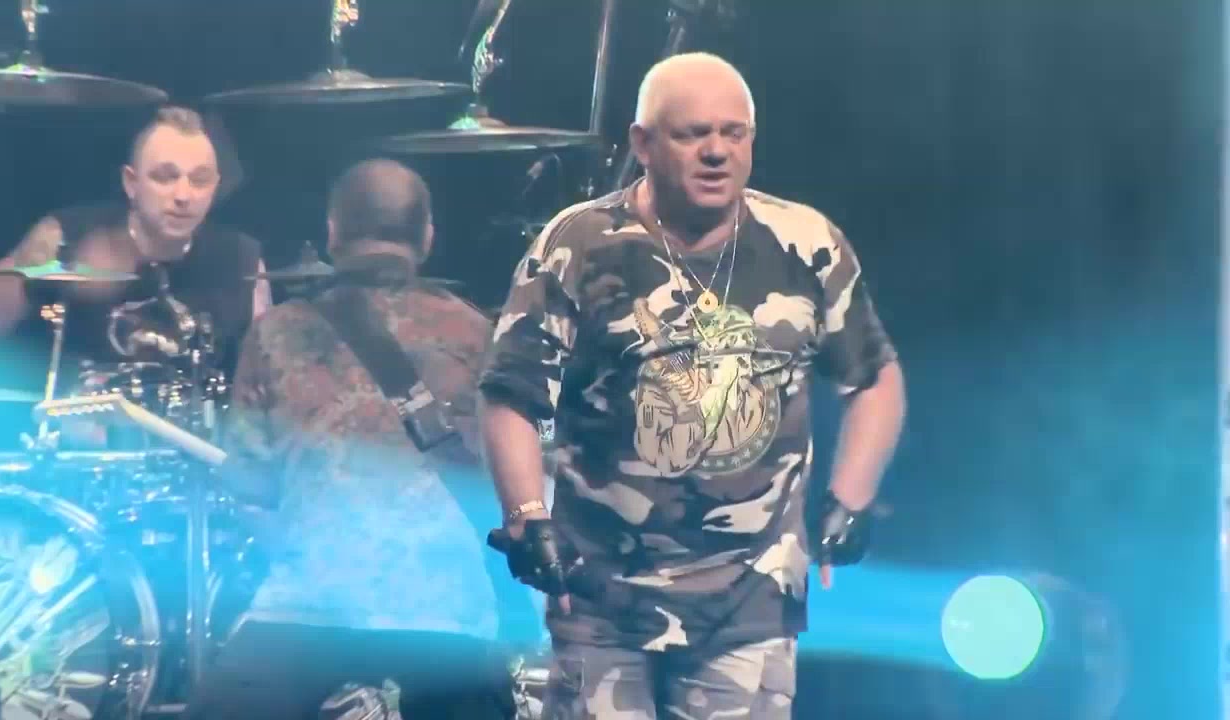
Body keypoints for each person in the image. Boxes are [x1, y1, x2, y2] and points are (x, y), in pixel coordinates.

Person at [478, 52, 907, 718]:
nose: (716, 152)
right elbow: (510, 392)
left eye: (734, 134)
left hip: (750, 602)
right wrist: (526, 513)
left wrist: (849, 499)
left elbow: (874, 379)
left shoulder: (806, 242)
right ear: (643, 144)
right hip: (601, 599)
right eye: (692, 134)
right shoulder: (580, 243)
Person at [212, 159, 516, 720]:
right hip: (449, 614)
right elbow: (513, 479)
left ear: (332, 234)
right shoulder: (478, 333)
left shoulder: (276, 331)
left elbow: (249, 489)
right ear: (427, 237)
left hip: (308, 607)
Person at [0, 105, 270, 383]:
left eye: (199, 181)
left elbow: (263, 386)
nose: (184, 195)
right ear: (131, 183)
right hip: (79, 427)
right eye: (165, 177)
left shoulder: (241, 260)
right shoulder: (68, 236)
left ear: (215, 187)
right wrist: (39, 270)